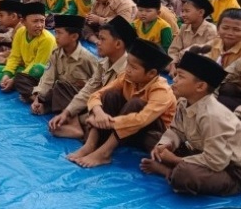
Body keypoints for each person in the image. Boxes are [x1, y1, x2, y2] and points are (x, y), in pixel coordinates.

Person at [141, 52, 241, 196]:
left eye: (180, 76)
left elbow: (217, 161)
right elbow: (176, 130)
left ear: (200, 87)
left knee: (185, 174)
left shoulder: (212, 116)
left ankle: (168, 171)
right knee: (152, 138)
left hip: (229, 169)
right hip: (200, 152)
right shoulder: (184, 101)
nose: (173, 79)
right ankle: (174, 166)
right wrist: (165, 144)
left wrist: (175, 160)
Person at [69, 39, 176, 168]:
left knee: (136, 104)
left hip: (150, 132)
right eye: (128, 64)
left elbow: (142, 119)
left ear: (151, 73)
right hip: (124, 128)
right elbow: (97, 95)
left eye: (134, 67)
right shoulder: (126, 77)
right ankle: (90, 144)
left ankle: (104, 153)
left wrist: (110, 122)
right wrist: (99, 113)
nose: (128, 70)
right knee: (110, 95)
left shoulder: (162, 91)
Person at [49, 16, 137, 140]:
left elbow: (116, 106)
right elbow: (89, 89)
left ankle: (83, 127)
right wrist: (67, 113)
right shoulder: (104, 63)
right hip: (96, 105)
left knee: (108, 98)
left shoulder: (128, 70)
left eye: (102, 39)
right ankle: (79, 124)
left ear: (118, 44)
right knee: (62, 87)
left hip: (111, 114)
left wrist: (84, 115)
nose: (97, 42)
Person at [29, 15, 99, 116]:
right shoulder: (55, 54)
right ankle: (47, 105)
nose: (55, 36)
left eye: (59, 33)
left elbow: (99, 84)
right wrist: (37, 99)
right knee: (22, 78)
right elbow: (47, 79)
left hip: (80, 98)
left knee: (60, 86)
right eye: (55, 32)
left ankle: (60, 111)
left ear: (74, 37)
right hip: (60, 94)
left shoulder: (87, 58)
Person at [0, 2, 56, 95]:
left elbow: (38, 64)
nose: (39, 25)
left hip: (42, 73)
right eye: (35, 21)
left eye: (42, 21)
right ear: (23, 22)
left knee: (37, 68)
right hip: (25, 69)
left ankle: (19, 84)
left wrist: (15, 79)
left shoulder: (47, 39)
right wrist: (6, 74)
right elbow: (15, 56)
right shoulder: (20, 32)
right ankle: (18, 84)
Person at [167, 0, 217, 75]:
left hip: (200, 68)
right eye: (182, 11)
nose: (183, 15)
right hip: (182, 64)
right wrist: (172, 67)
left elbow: (210, 58)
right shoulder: (184, 27)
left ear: (201, 13)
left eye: (187, 11)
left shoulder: (211, 31)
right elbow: (173, 49)